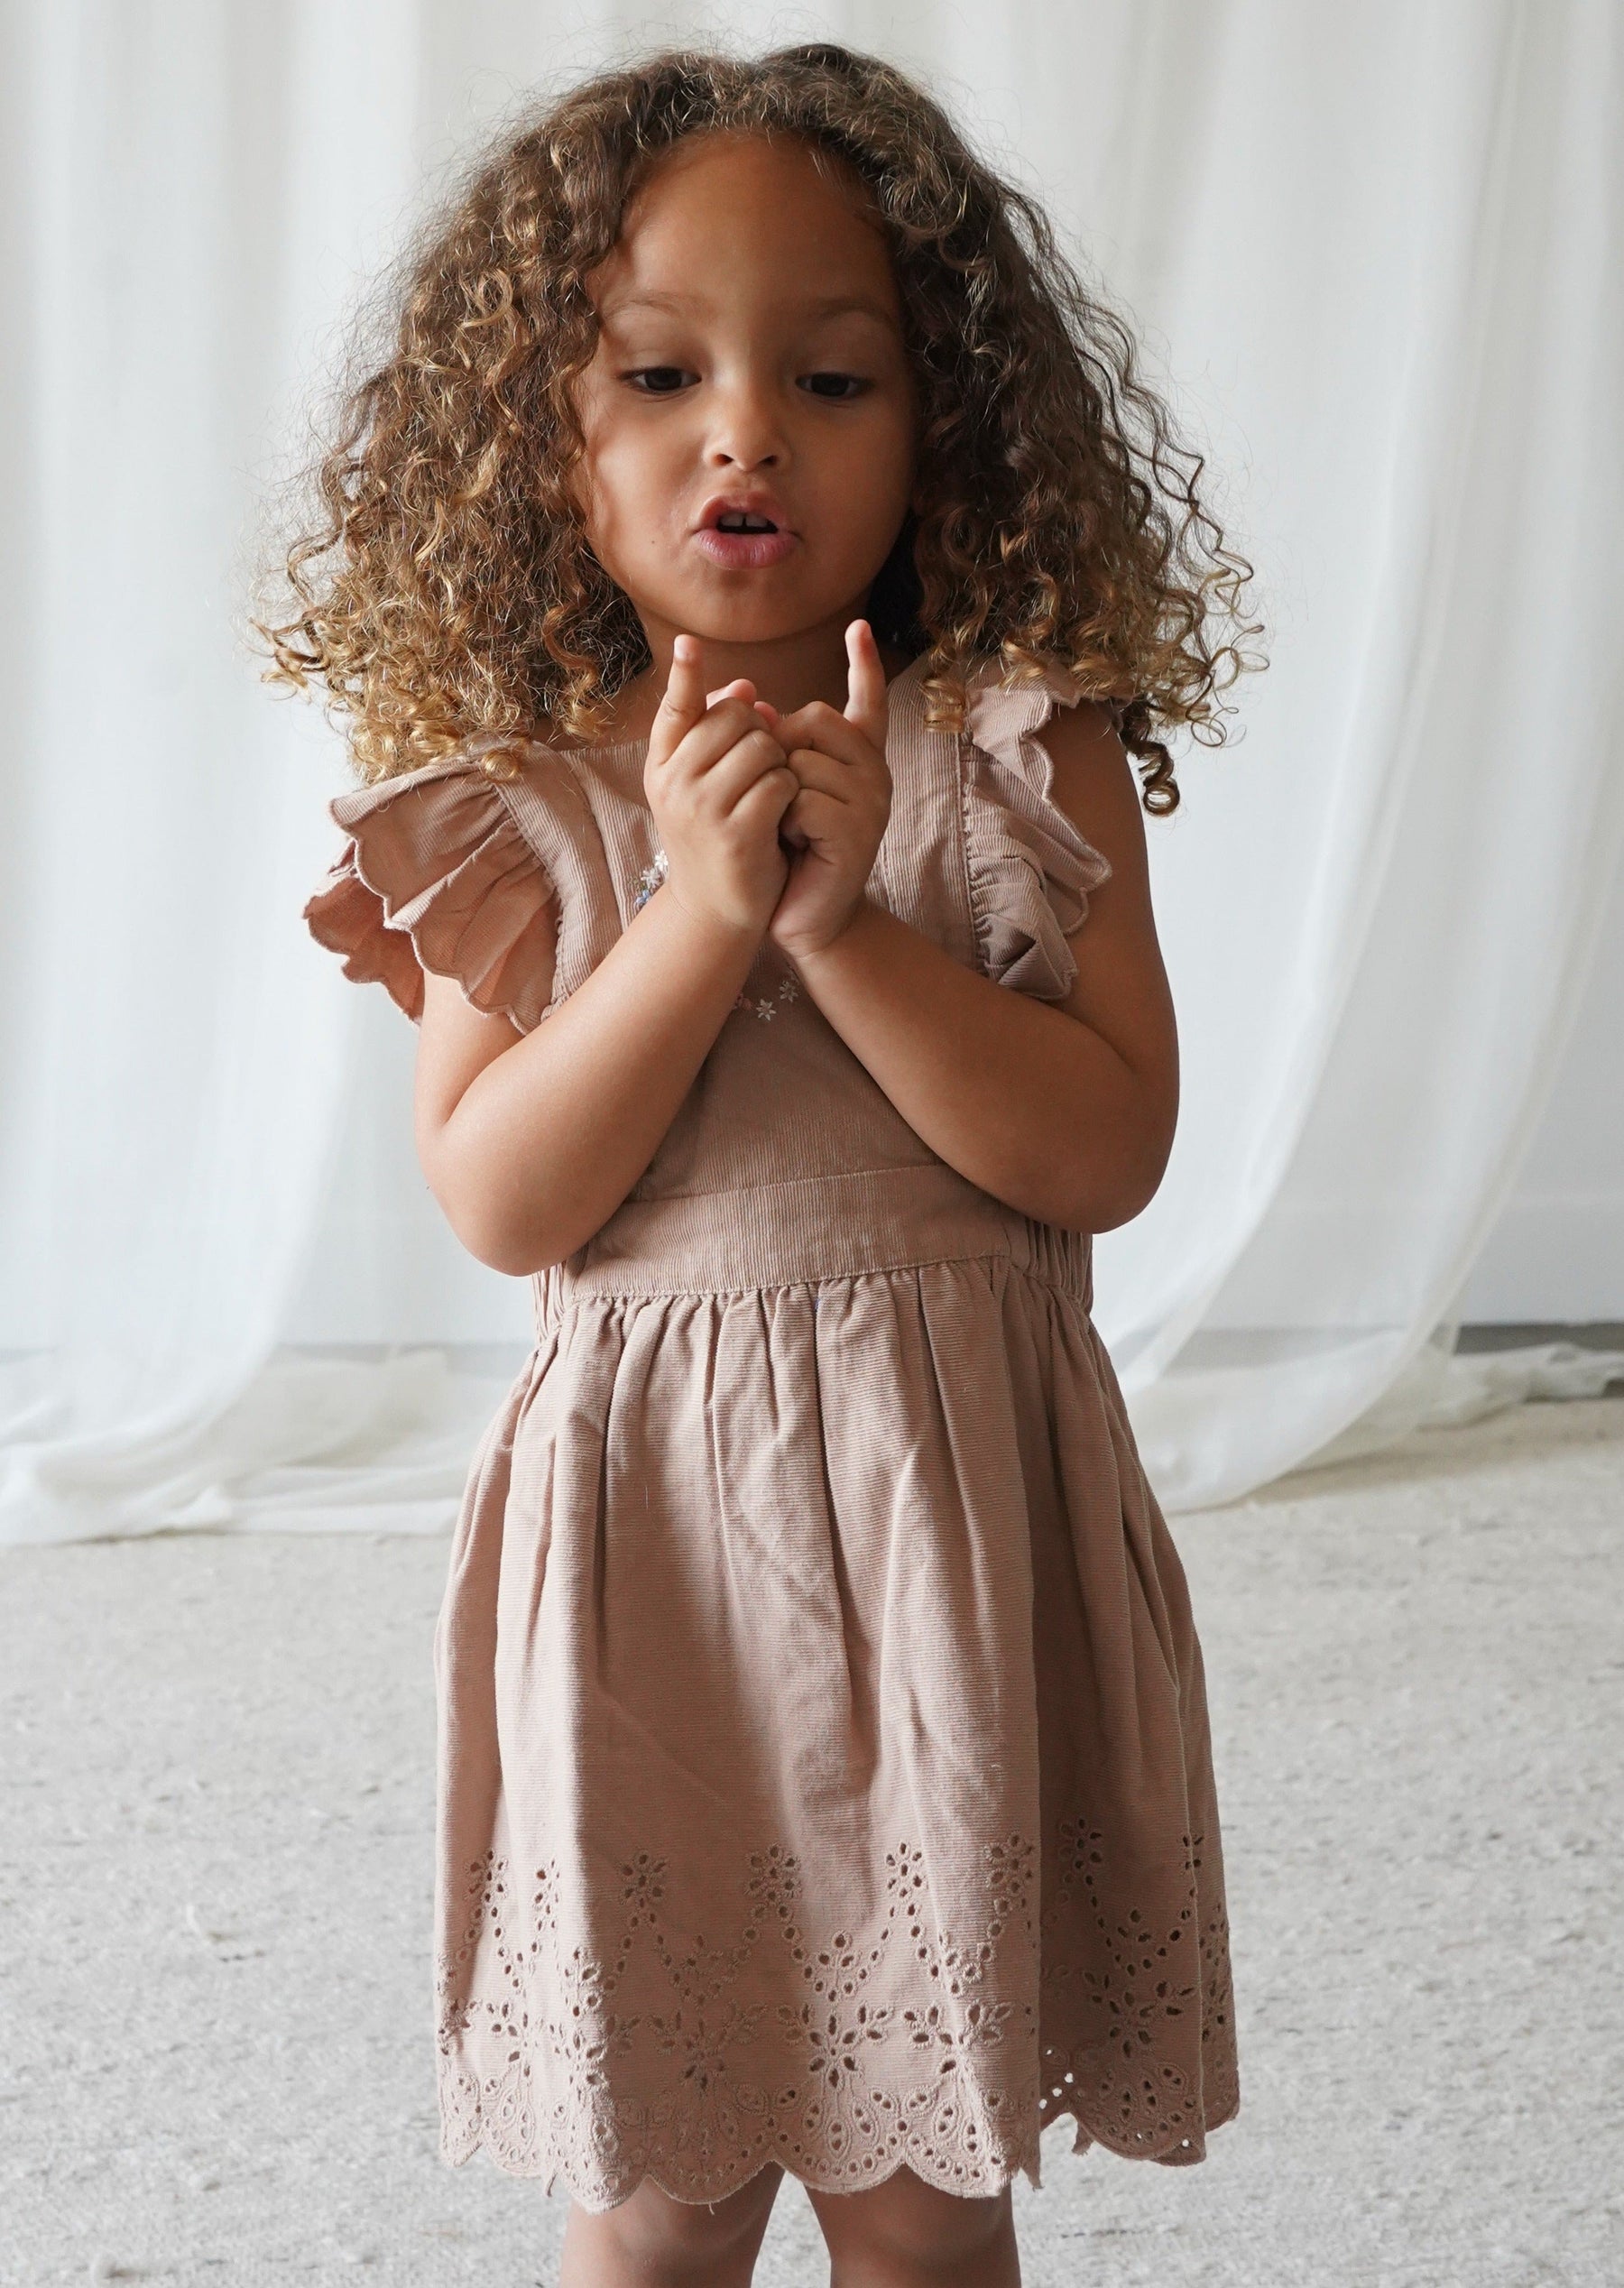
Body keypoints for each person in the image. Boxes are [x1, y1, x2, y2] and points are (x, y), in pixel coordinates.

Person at [266, 42, 1260, 2288]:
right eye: (658, 373)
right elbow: (505, 1195)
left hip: (946, 1554)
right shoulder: (520, 800)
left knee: (925, 2198)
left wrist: (838, 926)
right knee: (660, 2196)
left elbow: (1104, 1145)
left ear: (943, 423)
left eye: (830, 376)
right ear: (543, 433)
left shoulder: (1014, 758)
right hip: (664, 1593)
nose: (745, 433)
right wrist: (701, 915)